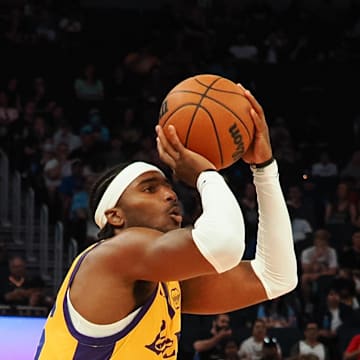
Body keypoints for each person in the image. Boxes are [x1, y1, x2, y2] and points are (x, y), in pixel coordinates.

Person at [34, 85, 298, 359]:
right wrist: (204, 174)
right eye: (149, 189)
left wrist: (264, 168)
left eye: (168, 186)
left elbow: (277, 277)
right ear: (115, 216)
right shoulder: (112, 255)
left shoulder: (166, 281)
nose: (170, 194)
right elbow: (224, 244)